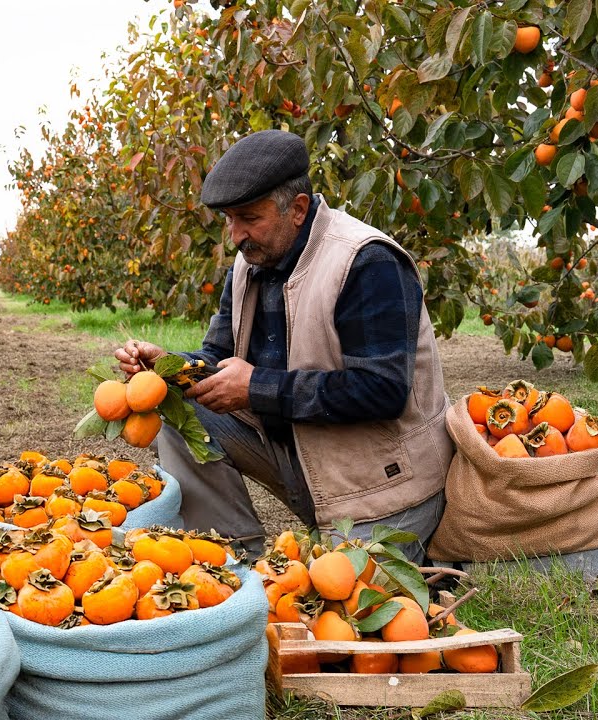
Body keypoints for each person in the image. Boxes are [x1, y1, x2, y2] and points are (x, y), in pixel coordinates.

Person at [115, 130, 453, 563]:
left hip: (384, 483)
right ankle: (232, 560)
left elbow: (383, 390)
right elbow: (217, 356)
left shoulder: (365, 260)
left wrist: (256, 387)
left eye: (248, 218)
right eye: (228, 220)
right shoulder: (250, 263)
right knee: (175, 409)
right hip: (307, 463)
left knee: (343, 605)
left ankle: (427, 542)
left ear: (297, 209)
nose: (235, 235)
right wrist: (170, 367)